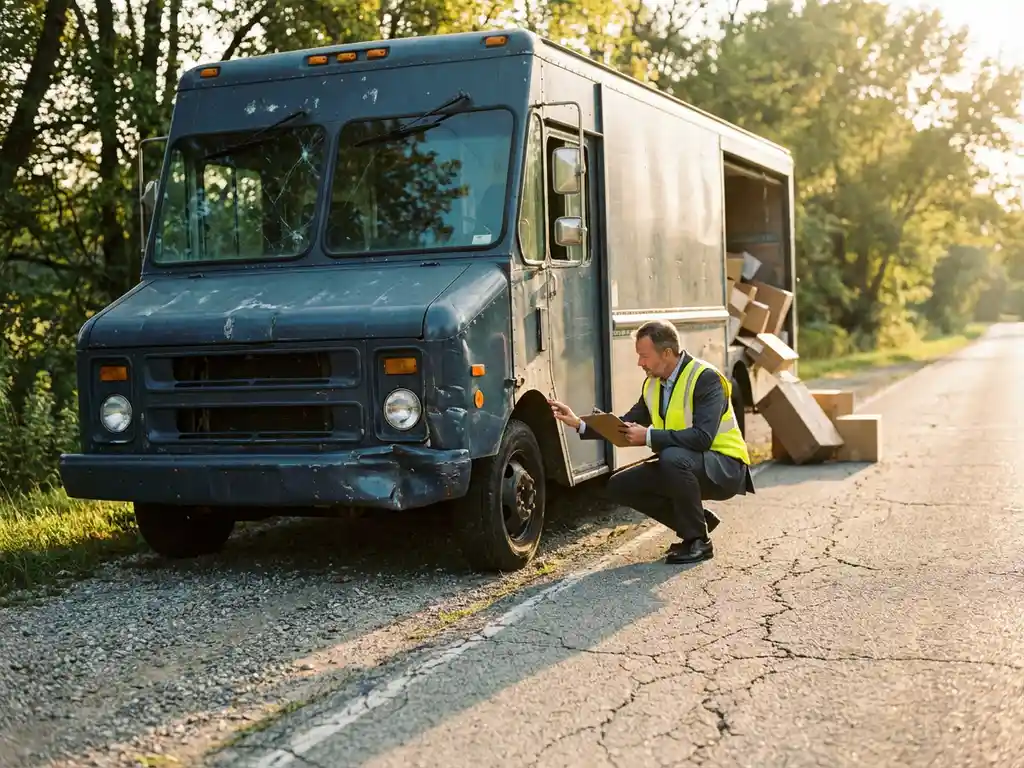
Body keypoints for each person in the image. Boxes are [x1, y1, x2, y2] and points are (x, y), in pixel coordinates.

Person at [547, 319, 754, 564]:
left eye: (644, 356)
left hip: (725, 468)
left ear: (666, 353)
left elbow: (703, 437)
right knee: (619, 485)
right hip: (685, 465)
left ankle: (699, 541)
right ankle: (697, 522)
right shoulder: (653, 384)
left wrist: (648, 436)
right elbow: (623, 425)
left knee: (672, 457)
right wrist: (578, 423)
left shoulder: (705, 378)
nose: (639, 363)